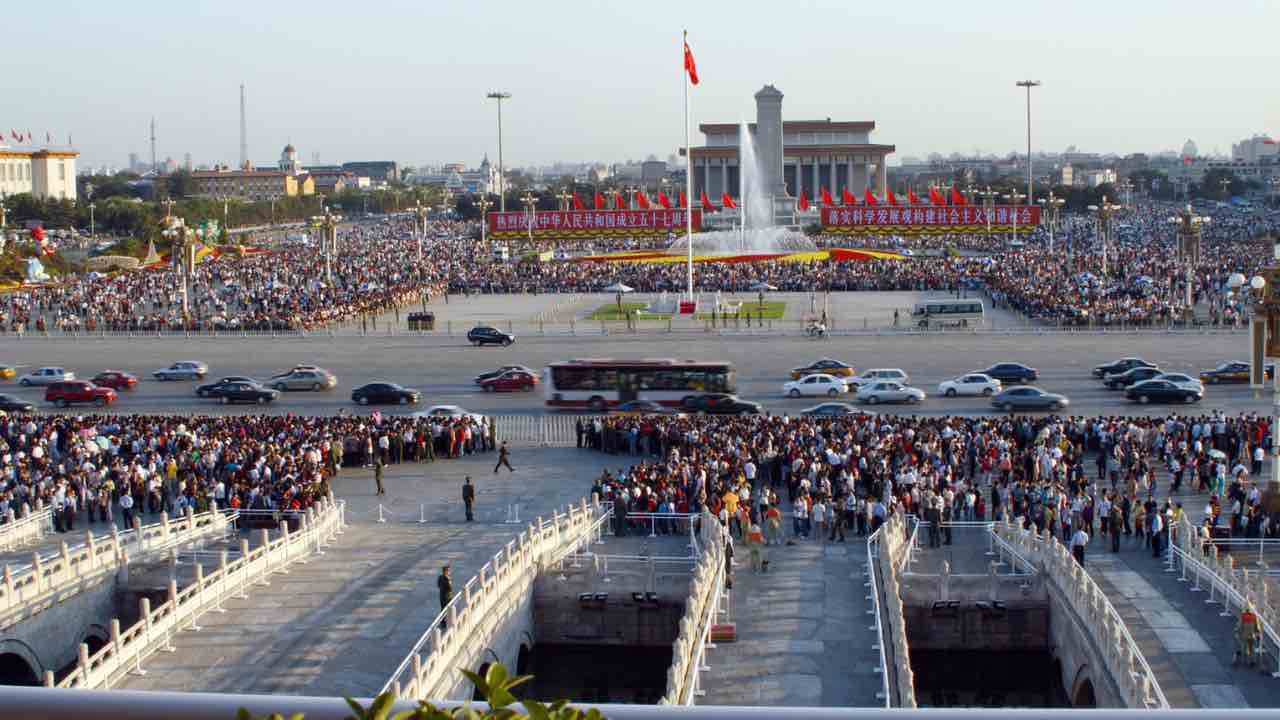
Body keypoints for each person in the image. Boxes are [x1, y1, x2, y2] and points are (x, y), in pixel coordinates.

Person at [1235, 601, 1260, 667]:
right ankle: (1252, 661)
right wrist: (1257, 634)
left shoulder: (1243, 616)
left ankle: (1246, 661)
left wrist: (1237, 632)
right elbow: (1256, 627)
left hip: (1244, 635)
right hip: (1252, 635)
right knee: (1252, 648)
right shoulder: (1254, 616)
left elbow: (1240, 626)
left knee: (1244, 647)